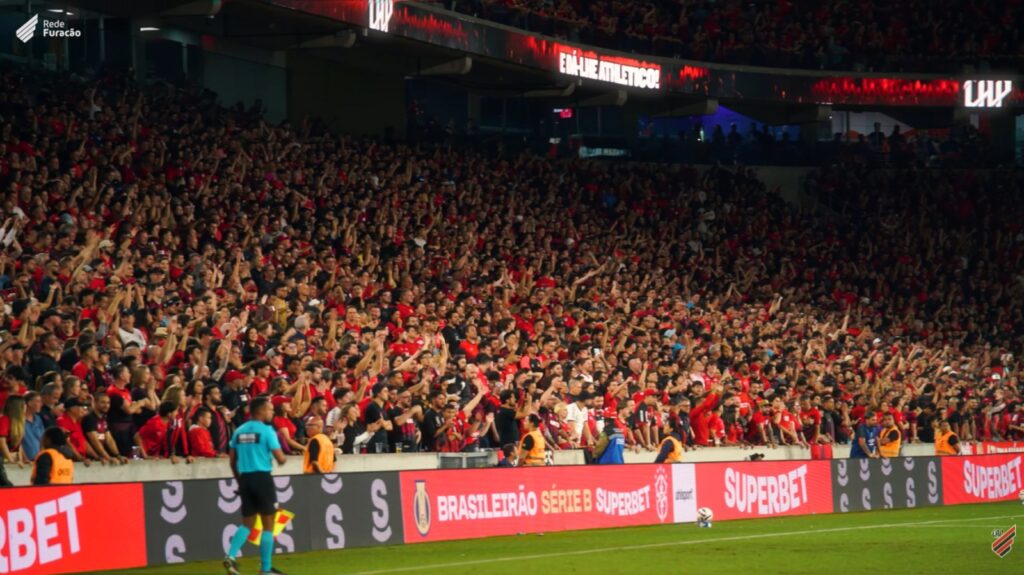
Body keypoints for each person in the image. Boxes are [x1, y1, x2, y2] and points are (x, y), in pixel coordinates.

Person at [224, 397, 287, 575]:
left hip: (245, 479)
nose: (272, 412)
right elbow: (281, 459)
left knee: (246, 524)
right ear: (260, 411)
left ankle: (231, 556)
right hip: (262, 478)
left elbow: (232, 461)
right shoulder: (267, 431)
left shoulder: (239, 431)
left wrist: (239, 481)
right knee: (268, 525)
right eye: (270, 409)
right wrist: (281, 455)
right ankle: (265, 569)